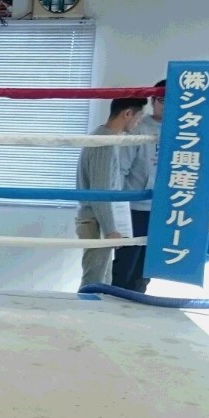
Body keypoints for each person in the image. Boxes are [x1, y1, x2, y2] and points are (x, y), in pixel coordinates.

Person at [75, 97, 147, 290]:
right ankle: (86, 309)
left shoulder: (105, 138)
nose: (138, 123)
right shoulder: (104, 143)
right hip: (95, 220)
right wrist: (109, 230)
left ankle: (93, 309)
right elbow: (100, 192)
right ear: (127, 114)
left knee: (102, 280)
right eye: (139, 117)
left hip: (97, 219)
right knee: (94, 280)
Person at [112, 83, 164, 292]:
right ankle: (114, 303)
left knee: (147, 267)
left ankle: (137, 303)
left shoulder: (185, 131)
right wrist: (117, 209)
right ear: (153, 101)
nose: (168, 106)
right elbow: (120, 171)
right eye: (163, 100)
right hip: (134, 208)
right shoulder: (139, 128)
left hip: (164, 208)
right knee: (126, 263)